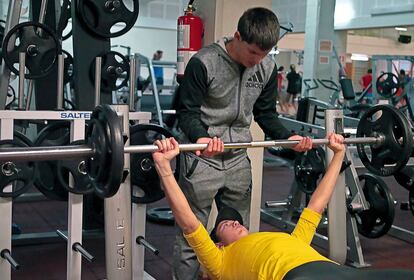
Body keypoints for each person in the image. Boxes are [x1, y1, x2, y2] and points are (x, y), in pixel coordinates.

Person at [152, 136, 414, 280]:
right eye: (223, 226)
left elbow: (317, 203)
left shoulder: (293, 239)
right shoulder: (219, 262)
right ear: (219, 245)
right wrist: (164, 168)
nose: (234, 222)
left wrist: (338, 156)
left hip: (335, 272)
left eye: (234, 220)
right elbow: (189, 222)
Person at [176, 7, 313, 279]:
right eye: (253, 52)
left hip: (239, 157)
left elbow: (266, 115)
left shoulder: (266, 67)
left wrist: (287, 137)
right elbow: (187, 112)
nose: (258, 60)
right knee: (193, 236)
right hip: (202, 158)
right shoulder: (203, 62)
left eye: (264, 54)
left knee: (241, 236)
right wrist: (202, 137)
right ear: (237, 36)